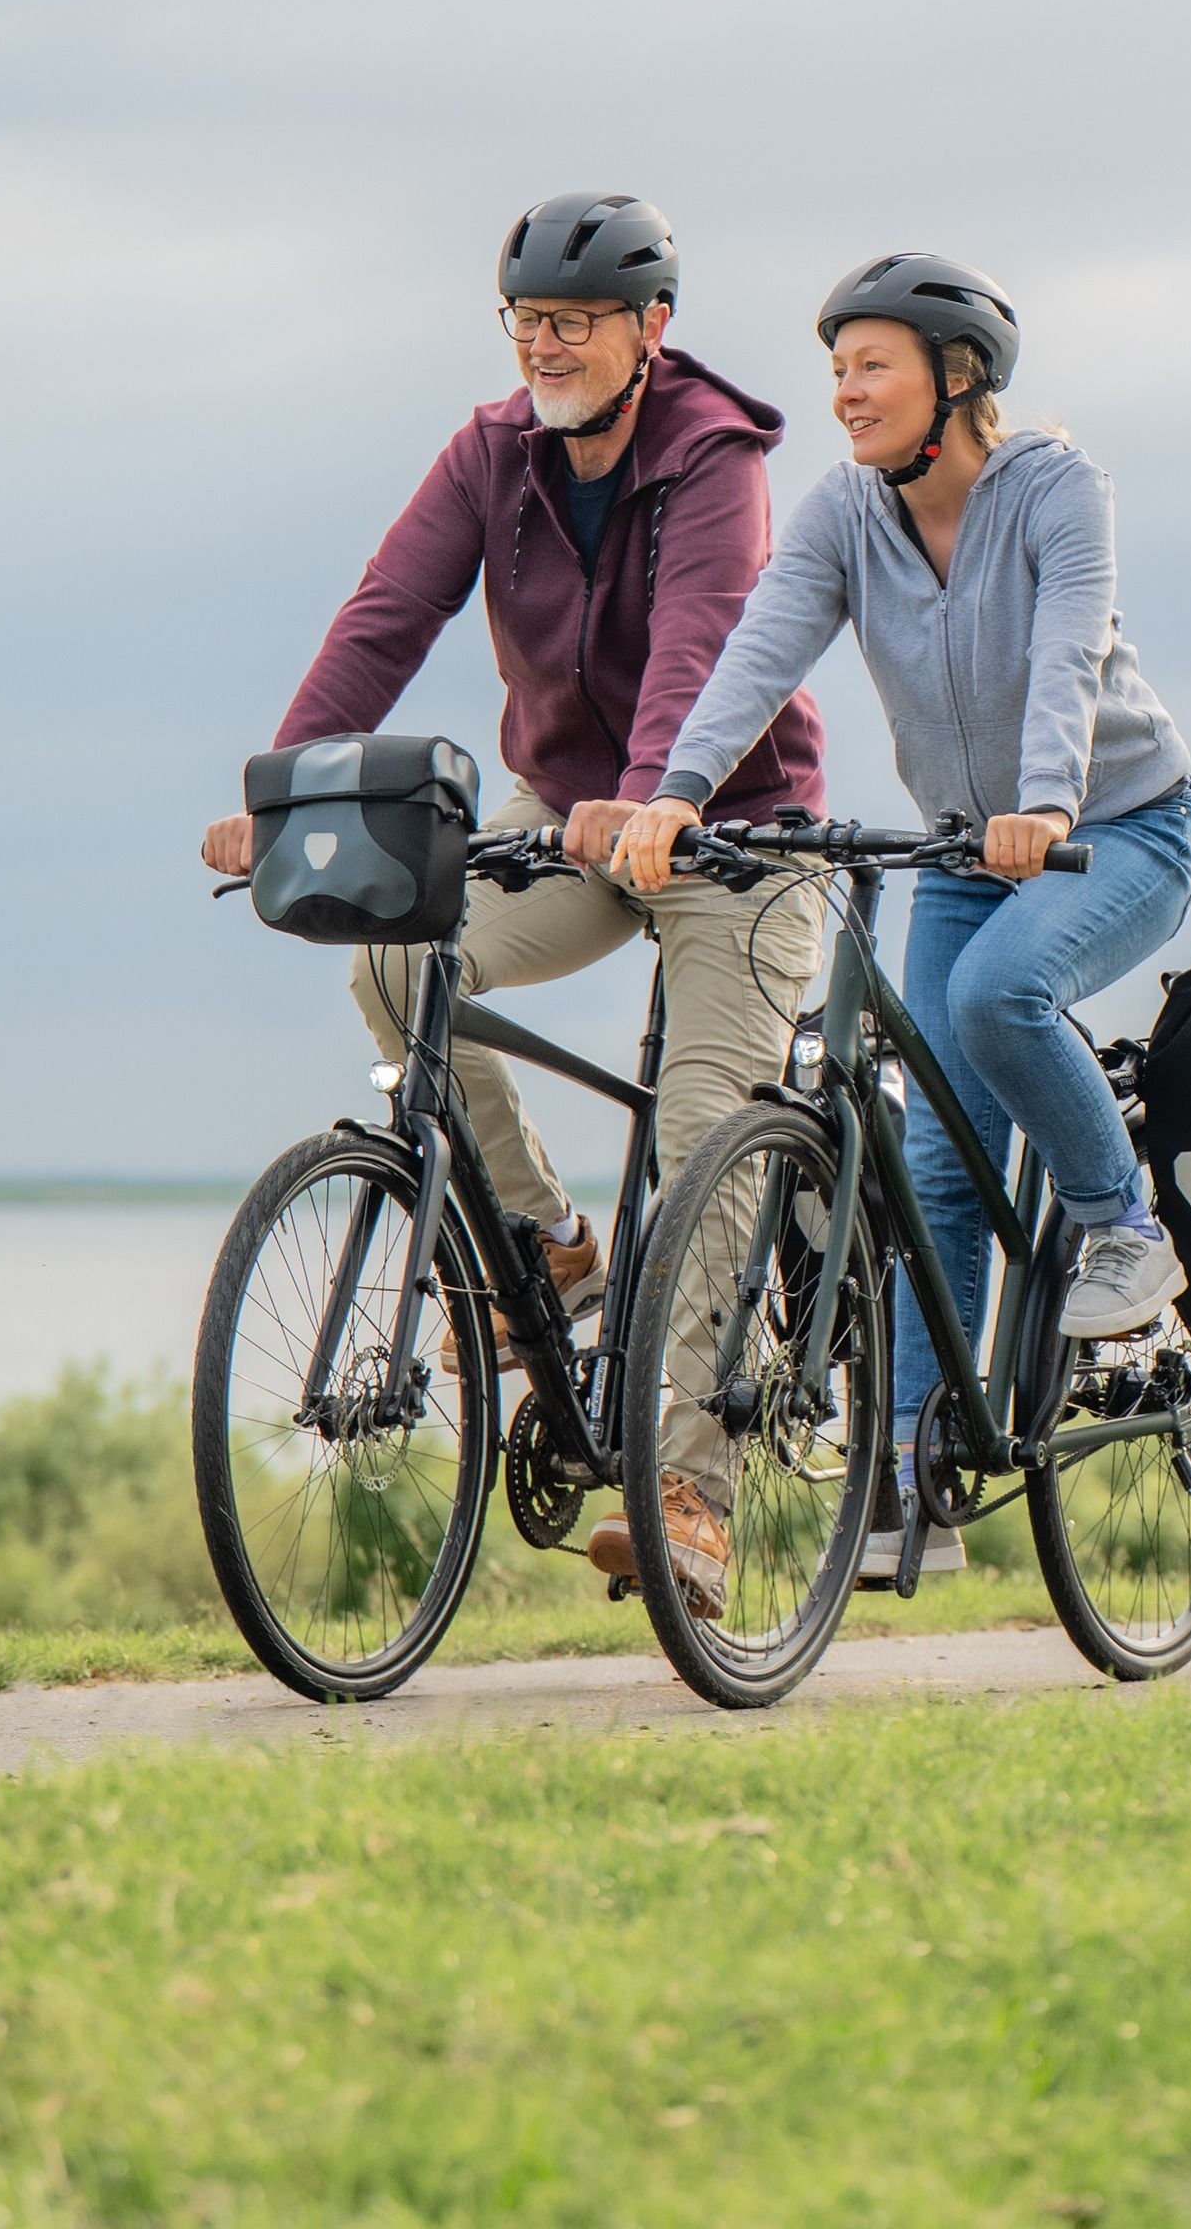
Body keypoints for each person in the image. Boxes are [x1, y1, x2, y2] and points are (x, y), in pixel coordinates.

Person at [201, 190, 827, 1612]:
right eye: (527, 320)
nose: (544, 346)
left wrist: (656, 794)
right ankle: (547, 1252)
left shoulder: (714, 455)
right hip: (572, 812)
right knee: (398, 967)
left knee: (704, 1130)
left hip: (734, 826)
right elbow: (386, 618)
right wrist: (283, 796)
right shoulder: (492, 452)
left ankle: (691, 1496)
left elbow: (699, 639)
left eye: (575, 323)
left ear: (650, 328)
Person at [613, 251, 1191, 1580]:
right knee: (936, 1163)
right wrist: (676, 794)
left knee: (999, 998)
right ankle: (914, 1478)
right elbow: (759, 650)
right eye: (836, 369)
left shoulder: (1056, 490)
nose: (845, 392)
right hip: (960, 854)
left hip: (1118, 829)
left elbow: (1068, 652)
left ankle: (1124, 1225)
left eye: (871, 365)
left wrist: (1043, 802)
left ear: (958, 376)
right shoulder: (844, 513)